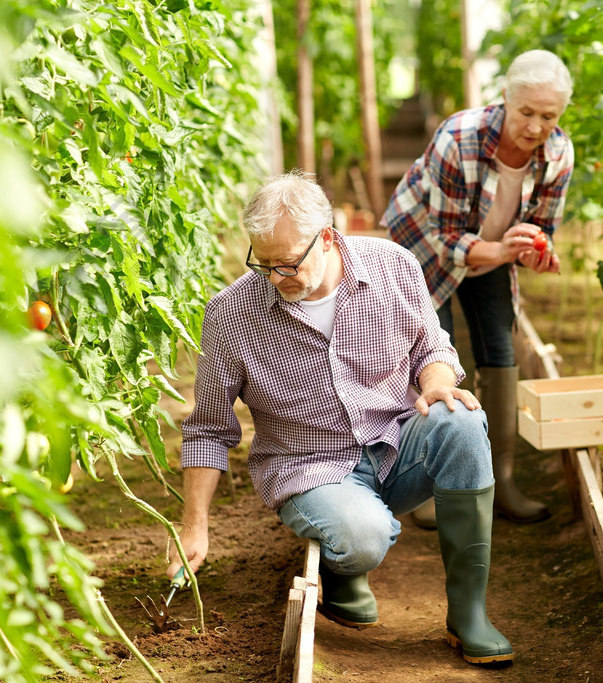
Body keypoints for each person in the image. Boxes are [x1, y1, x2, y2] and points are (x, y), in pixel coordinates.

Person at [167, 171, 513, 665]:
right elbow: (208, 429)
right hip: (309, 466)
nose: (274, 277)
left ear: (327, 238)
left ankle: (469, 613)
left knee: (460, 420)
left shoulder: (393, 266)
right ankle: (343, 563)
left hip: (395, 442)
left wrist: (436, 383)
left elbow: (430, 343)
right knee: (360, 537)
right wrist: (193, 525)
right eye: (261, 263)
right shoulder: (231, 314)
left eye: (287, 263)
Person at [382, 49, 575, 527]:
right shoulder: (459, 137)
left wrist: (535, 249)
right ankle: (421, 485)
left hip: (491, 248)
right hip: (425, 244)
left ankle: (500, 480)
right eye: (525, 112)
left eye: (547, 116)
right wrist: (503, 250)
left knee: (500, 348)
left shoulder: (558, 154)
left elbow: (540, 226)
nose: (534, 126)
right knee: (423, 354)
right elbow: (448, 240)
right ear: (505, 98)